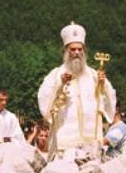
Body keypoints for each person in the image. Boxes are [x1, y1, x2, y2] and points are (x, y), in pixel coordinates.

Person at [37, 22, 116, 159]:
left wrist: (103, 85)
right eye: (72, 50)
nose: (77, 53)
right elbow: (45, 102)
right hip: (65, 143)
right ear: (65, 51)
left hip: (90, 141)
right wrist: (60, 84)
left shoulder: (94, 75)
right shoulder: (56, 75)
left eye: (80, 49)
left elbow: (109, 99)